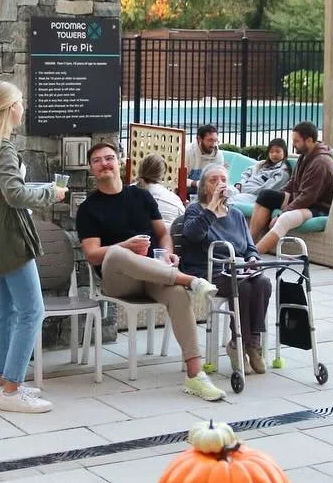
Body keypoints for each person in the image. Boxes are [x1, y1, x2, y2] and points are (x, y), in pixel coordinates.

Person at [76, 142, 224, 401]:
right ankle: (191, 280)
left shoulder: (141, 196)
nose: (104, 164)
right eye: (97, 161)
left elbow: (163, 234)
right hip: (118, 279)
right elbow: (91, 253)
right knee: (119, 253)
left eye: (109, 158)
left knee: (177, 294)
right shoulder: (89, 207)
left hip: (153, 273)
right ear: (92, 169)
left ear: (120, 162)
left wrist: (167, 253)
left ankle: (195, 375)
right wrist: (125, 245)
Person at [0, 82, 67, 413]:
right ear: (11, 109)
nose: (24, 107)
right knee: (32, 311)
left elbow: (3, 194)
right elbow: (15, 195)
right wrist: (50, 194)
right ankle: (12, 389)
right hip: (11, 242)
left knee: (7, 311)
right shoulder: (3, 148)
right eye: (21, 102)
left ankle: (2, 383)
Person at [180, 164, 272, 374]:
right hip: (208, 271)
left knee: (263, 282)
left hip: (237, 270)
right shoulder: (196, 210)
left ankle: (251, 343)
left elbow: (250, 247)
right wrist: (211, 209)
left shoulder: (236, 214)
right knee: (244, 288)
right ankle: (239, 345)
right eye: (214, 180)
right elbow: (192, 235)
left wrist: (252, 259)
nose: (220, 184)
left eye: (223, 179)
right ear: (204, 187)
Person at [249, 122, 333, 255]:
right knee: (266, 196)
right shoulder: (305, 156)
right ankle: (249, 244)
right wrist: (279, 195)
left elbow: (307, 198)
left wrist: (282, 213)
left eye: (296, 141)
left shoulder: (321, 162)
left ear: (309, 140)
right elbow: (293, 182)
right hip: (304, 199)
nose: (293, 144)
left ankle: (253, 256)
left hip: (319, 207)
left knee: (285, 219)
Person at [135, 153, 184, 226]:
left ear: (140, 169)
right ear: (162, 174)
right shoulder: (174, 199)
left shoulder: (127, 193)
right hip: (168, 235)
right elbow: (184, 223)